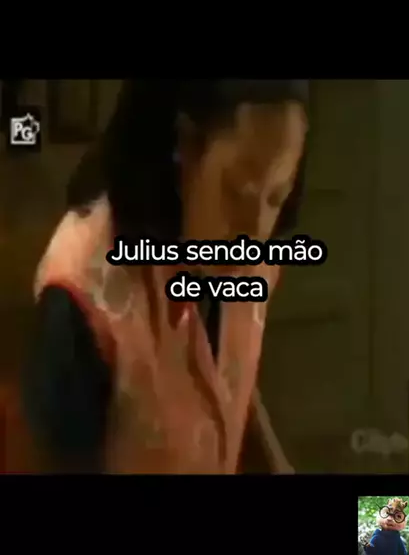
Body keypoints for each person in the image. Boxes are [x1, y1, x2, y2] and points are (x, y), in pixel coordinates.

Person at [22, 79, 309, 474]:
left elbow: (218, 378)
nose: (254, 233)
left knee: (385, 514)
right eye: (237, 193)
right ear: (185, 147)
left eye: (276, 196)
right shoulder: (81, 296)